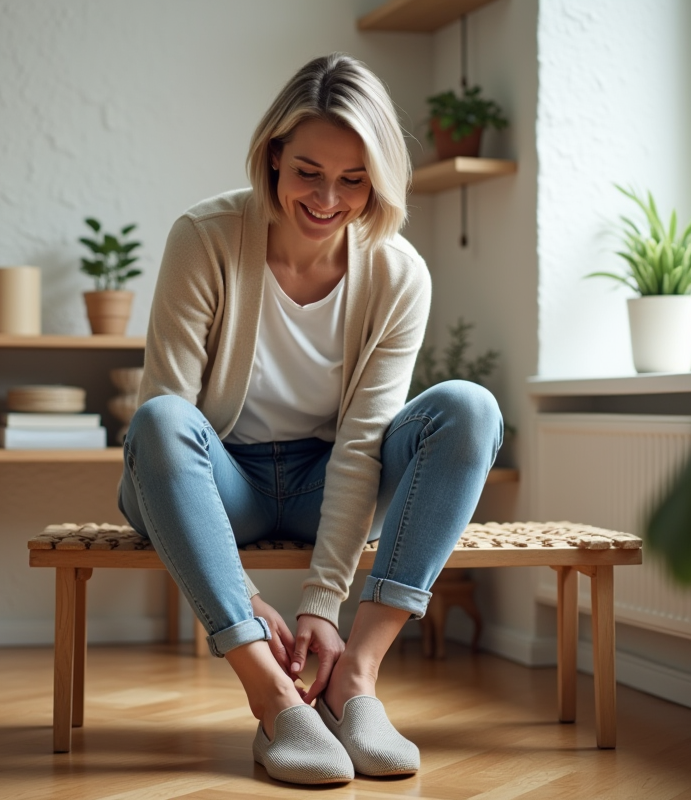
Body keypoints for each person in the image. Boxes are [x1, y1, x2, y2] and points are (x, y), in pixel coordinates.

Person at [118, 53, 502, 785]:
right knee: (161, 419)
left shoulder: (398, 273)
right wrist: (246, 597)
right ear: (273, 156)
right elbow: (168, 408)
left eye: (354, 179)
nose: (328, 199)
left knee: (470, 408)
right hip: (218, 483)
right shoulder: (204, 236)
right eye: (308, 172)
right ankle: (271, 696)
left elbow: (362, 443)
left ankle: (356, 680)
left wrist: (322, 606)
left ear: (379, 180)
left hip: (328, 476)